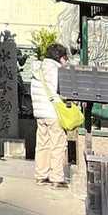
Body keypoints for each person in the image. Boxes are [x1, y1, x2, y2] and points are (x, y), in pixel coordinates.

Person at [32, 41, 70, 188]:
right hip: (54, 113)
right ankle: (57, 178)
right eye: (65, 58)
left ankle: (41, 175)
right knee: (58, 145)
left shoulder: (38, 68)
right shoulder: (56, 70)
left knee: (42, 144)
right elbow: (62, 92)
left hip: (40, 113)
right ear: (60, 57)